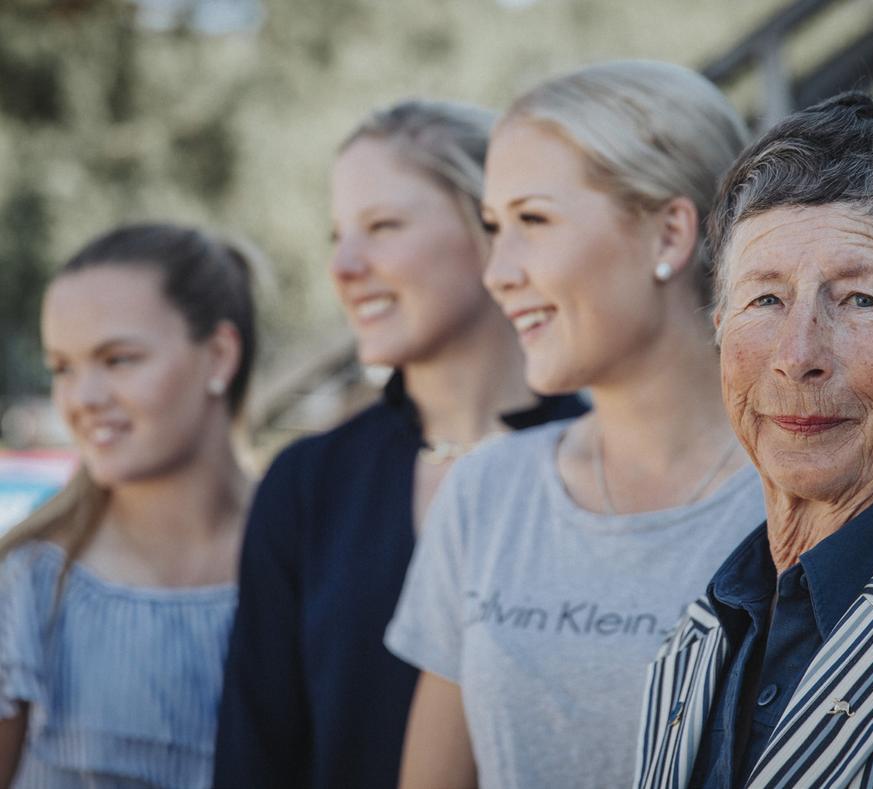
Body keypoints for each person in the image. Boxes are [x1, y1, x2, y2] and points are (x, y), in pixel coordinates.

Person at [385, 61, 766, 789]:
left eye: (532, 220)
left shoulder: (799, 505)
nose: (497, 272)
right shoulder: (485, 493)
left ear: (669, 233)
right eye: (495, 227)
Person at [634, 92, 873, 789]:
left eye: (859, 299)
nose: (798, 353)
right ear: (720, 327)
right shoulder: (698, 635)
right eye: (765, 299)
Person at [213, 99, 585, 789]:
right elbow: (254, 757)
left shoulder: (607, 460)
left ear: (491, 225)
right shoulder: (306, 484)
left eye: (382, 226)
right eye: (338, 236)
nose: (345, 265)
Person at [0, 223, 257, 788]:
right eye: (62, 368)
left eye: (117, 360)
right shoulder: (28, 587)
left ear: (218, 356)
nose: (83, 399)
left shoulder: (312, 567)